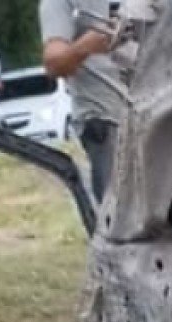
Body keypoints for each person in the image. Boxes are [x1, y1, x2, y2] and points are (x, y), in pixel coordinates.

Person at [40, 0, 149, 200]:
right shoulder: (60, 3)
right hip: (105, 118)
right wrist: (84, 47)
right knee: (119, 206)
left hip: (159, 111)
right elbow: (53, 64)